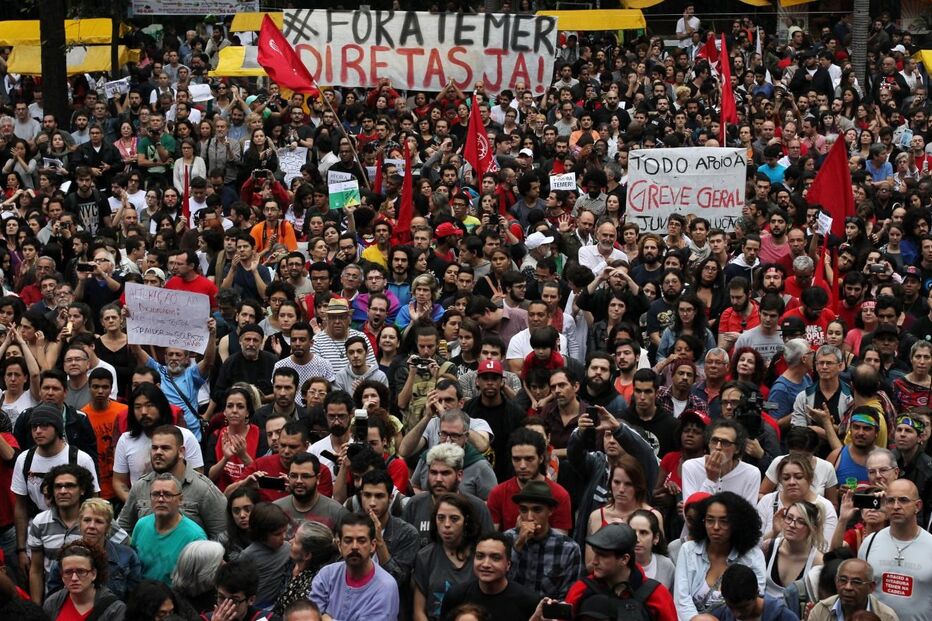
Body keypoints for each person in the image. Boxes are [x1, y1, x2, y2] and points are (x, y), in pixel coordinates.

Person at [117, 424, 226, 539]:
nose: (158, 452)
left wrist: (202, 555)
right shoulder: (140, 487)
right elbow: (123, 529)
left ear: (181, 452)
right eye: (154, 448)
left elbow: (222, 534)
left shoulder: (204, 489)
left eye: (165, 448)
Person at [673, 492, 766, 621]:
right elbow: (682, 599)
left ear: (737, 523)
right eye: (710, 520)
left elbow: (752, 600)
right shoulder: (688, 550)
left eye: (724, 521)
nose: (715, 527)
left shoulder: (753, 556)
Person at [565, 522, 677, 621]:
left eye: (603, 556)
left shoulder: (656, 594)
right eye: (595, 553)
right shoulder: (581, 589)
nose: (594, 561)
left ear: (624, 559)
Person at [858, 479, 932, 621]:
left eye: (903, 500)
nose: (896, 506)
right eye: (890, 501)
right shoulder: (870, 543)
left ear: (918, 506)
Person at [44, 498, 141, 601]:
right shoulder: (64, 557)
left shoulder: (127, 556)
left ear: (108, 527)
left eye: (99, 521)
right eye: (87, 520)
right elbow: (54, 600)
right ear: (80, 524)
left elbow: (133, 600)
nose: (91, 526)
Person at [309, 513, 400, 621]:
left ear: (373, 545)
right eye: (348, 541)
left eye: (361, 541)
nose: (354, 547)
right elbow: (308, 617)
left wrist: (326, 618)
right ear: (339, 545)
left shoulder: (385, 586)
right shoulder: (327, 575)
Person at [504, 479, 582, 599]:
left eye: (537, 510)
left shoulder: (568, 548)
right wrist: (518, 546)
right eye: (524, 510)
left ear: (550, 511)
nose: (529, 517)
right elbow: (500, 585)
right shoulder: (507, 539)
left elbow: (567, 597)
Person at [439, 532, 541, 621]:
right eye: (480, 556)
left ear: (508, 565)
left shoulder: (528, 601)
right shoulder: (456, 596)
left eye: (495, 558)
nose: (485, 564)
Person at [487, 427, 573, 533]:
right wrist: (516, 534)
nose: (522, 466)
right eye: (517, 459)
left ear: (541, 458)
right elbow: (490, 539)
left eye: (529, 459)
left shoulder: (559, 495)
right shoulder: (498, 493)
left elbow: (560, 543)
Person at [413, 493, 480, 621]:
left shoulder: (479, 555)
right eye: (441, 518)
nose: (447, 524)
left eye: (454, 519)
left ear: (466, 521)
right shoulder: (425, 557)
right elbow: (419, 611)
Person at [131, 472, 207, 584]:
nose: (161, 499)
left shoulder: (195, 537)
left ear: (180, 500)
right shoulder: (141, 525)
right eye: (156, 494)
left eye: (167, 495)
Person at [681, 419, 762, 506]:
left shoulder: (751, 473)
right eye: (714, 441)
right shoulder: (691, 467)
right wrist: (710, 480)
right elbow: (691, 514)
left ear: (737, 449)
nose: (718, 447)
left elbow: (749, 517)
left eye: (725, 443)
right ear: (708, 443)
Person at [42, 540, 126, 621]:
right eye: (68, 572)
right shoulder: (52, 603)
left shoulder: (115, 609)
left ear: (93, 574)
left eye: (81, 571)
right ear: (62, 575)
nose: (74, 578)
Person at [273, 520, 339, 617]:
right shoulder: (292, 562)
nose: (290, 541)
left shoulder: (313, 587)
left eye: (295, 541)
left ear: (307, 555)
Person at [761, 500, 826, 597]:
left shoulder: (818, 562)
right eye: (789, 518)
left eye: (801, 522)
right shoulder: (768, 547)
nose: (791, 525)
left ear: (812, 528)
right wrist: (774, 532)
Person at [273, 452, 347, 530]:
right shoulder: (276, 509)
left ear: (318, 478)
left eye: (305, 476)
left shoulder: (336, 512)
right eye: (293, 476)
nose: (299, 481)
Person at [807, 559, 899, 621]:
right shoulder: (821, 611)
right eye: (843, 580)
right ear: (836, 581)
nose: (848, 587)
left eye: (856, 582)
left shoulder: (887, 617)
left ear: (871, 587)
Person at [239, 503, 291, 610]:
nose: (283, 537)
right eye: (277, 534)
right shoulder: (248, 555)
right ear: (261, 534)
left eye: (284, 531)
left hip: (280, 604)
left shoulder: (287, 549)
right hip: (257, 607)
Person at [712, 563, 800, 621]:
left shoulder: (784, 617)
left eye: (743, 608)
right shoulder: (719, 616)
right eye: (730, 607)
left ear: (756, 594)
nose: (737, 614)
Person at [169, 540, 225, 618]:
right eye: (220, 562)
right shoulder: (172, 603)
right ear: (205, 570)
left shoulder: (222, 590)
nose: (225, 563)